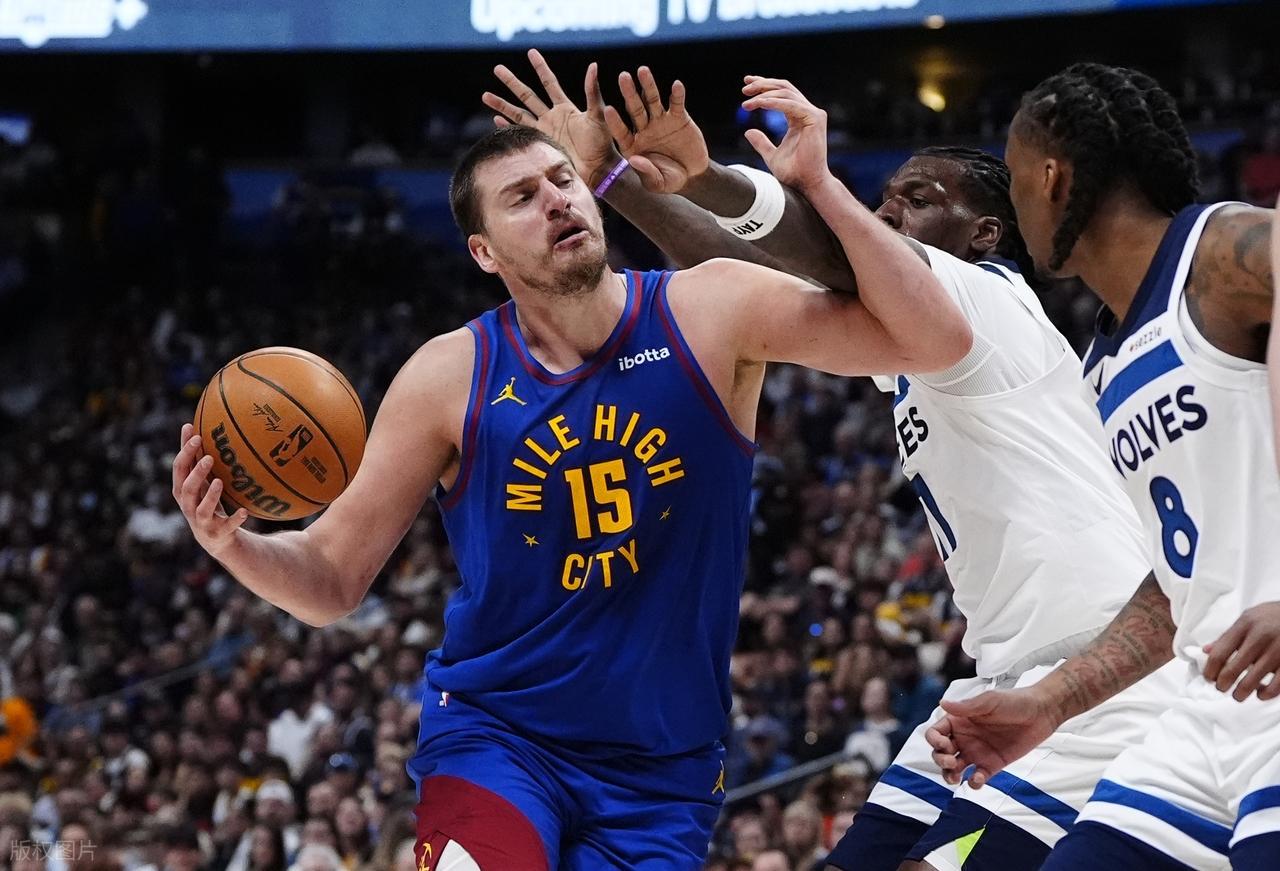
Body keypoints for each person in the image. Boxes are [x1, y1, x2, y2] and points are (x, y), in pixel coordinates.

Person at [171, 83, 970, 871]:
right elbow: (330, 577)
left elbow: (935, 340)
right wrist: (231, 542)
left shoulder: (712, 309)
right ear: (483, 252)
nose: (555, 200)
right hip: (497, 738)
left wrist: (818, 188)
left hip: (662, 769)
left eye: (563, 180)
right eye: (521, 197)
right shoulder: (448, 375)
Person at [482, 51, 1166, 871]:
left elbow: (835, 254)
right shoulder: (905, 345)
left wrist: (710, 178)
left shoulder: (989, 296)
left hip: (1094, 670)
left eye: (920, 200)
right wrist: (611, 178)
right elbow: (742, 279)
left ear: (984, 233)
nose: (889, 212)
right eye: (885, 199)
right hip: (1000, 675)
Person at [924, 63, 1279, 871]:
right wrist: (1049, 702)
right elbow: (1180, 580)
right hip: (1206, 711)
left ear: (1052, 177)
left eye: (1014, 177)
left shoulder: (1223, 252)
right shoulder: (1104, 364)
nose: (1015, 204)